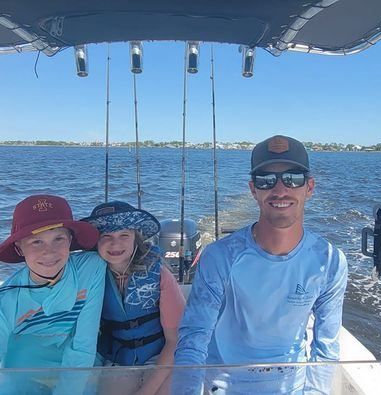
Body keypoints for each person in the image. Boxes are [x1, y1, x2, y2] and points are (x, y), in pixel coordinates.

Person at [173, 135, 348, 394]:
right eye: (266, 180)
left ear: (309, 187)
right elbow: (194, 338)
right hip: (224, 387)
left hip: (293, 387)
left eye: (293, 178)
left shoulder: (330, 262)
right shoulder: (219, 256)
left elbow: (326, 348)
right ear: (253, 190)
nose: (280, 190)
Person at [0, 194, 105, 394]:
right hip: (23, 377)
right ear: (19, 248)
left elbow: (83, 345)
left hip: (78, 371)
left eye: (58, 239)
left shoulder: (91, 268)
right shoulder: (2, 302)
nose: (49, 251)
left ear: (70, 240)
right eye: (36, 242)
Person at [81, 201, 186, 395]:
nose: (115, 243)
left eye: (124, 235)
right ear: (96, 242)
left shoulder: (160, 275)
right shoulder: (88, 278)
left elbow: (175, 340)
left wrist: (147, 390)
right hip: (116, 360)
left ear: (136, 239)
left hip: (162, 357)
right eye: (106, 236)